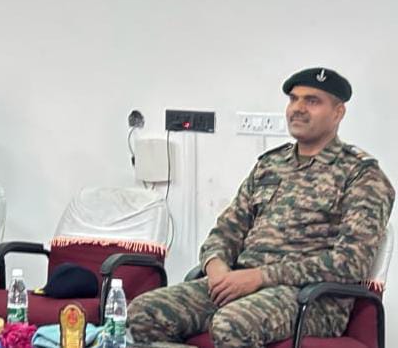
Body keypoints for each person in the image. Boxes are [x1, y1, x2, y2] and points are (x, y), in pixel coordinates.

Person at [127, 68, 395, 347]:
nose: (298, 108)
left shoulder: (361, 175)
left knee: (232, 323)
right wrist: (217, 268)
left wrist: (260, 277)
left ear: (338, 112)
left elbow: (350, 263)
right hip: (242, 284)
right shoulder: (270, 165)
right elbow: (226, 230)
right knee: (145, 311)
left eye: (312, 101)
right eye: (294, 99)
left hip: (312, 299)